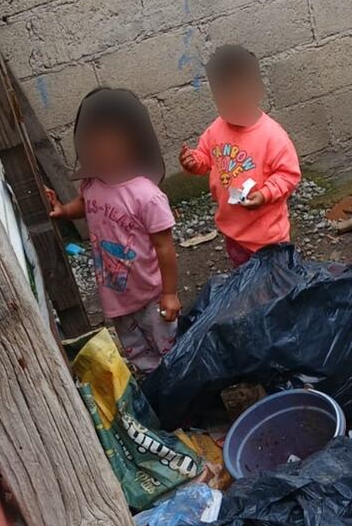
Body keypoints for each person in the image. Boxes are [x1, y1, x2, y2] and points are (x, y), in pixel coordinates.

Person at [44, 87, 180, 375]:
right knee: (137, 350)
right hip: (116, 295)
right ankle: (155, 386)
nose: (104, 155)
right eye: (96, 148)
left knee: (169, 348)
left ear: (133, 146)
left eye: (112, 147)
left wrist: (170, 293)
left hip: (151, 292)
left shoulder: (146, 195)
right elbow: (86, 203)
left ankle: (180, 388)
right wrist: (64, 210)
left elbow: (164, 247)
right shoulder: (93, 184)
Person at [179, 44, 301, 267]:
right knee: (244, 275)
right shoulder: (216, 129)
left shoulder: (272, 136)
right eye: (225, 95)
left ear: (255, 91)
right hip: (233, 231)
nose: (233, 101)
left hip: (267, 236)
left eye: (239, 93)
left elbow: (289, 175)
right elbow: (205, 158)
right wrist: (192, 162)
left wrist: (265, 194)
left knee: (275, 281)